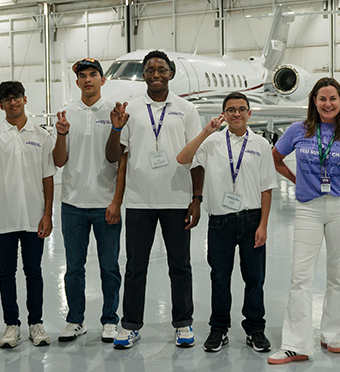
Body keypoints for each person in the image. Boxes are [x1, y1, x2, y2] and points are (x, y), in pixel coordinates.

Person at [267, 77, 340, 364]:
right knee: (300, 276)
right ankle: (295, 344)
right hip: (308, 208)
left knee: (337, 275)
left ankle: (332, 334)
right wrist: (297, 180)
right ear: (314, 102)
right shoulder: (298, 130)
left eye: (333, 99)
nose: (328, 104)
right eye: (322, 99)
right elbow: (275, 158)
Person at [104, 50, 203, 349]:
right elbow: (113, 157)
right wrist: (116, 127)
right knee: (135, 267)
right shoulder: (130, 109)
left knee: (180, 266)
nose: (155, 74)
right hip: (139, 202)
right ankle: (130, 326)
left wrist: (196, 199)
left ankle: (183, 324)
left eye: (161, 69)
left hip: (176, 200)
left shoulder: (187, 109)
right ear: (144, 75)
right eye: (150, 70)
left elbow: (196, 158)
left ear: (171, 73)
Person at [176, 92, 278, 353]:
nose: (236, 114)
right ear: (223, 114)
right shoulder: (211, 143)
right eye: (230, 110)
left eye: (241, 109)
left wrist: (263, 224)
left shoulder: (261, 145)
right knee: (219, 278)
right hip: (220, 222)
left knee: (254, 279)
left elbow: (267, 188)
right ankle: (218, 329)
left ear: (249, 114)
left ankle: (255, 329)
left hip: (252, 219)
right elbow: (183, 158)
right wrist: (205, 132)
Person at [0, 81, 57, 348]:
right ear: (0, 105)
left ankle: (36, 323)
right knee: (6, 274)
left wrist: (48, 214)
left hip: (34, 218)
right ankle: (12, 325)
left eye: (17, 97)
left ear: (25, 99)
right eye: (7, 99)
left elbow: (48, 176)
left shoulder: (41, 134)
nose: (13, 102)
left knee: (34, 272)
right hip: (4, 218)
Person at [53, 59, 126, 343]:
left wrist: (117, 202)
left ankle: (110, 320)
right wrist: (61, 134)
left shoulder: (113, 112)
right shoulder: (67, 113)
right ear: (77, 82)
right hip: (72, 204)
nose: (87, 80)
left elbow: (118, 159)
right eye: (82, 76)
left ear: (102, 80)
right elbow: (59, 161)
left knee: (109, 266)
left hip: (105, 202)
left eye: (93, 75)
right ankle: (75, 320)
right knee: (73, 268)